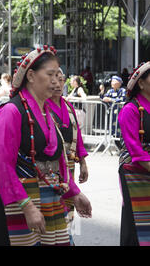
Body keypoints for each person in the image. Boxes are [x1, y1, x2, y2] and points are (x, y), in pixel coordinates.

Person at [0, 46, 92, 246]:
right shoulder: (11, 112)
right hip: (19, 201)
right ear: (30, 75)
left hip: (49, 198)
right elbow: (3, 166)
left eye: (58, 75)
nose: (56, 81)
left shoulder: (47, 111)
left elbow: (58, 163)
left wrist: (74, 193)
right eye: (50, 74)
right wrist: (27, 206)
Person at [47, 68, 89, 224]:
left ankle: (67, 237)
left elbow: (77, 136)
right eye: (54, 79)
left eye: (61, 80)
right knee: (52, 207)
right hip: (51, 165)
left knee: (69, 204)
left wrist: (83, 163)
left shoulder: (68, 106)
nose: (58, 84)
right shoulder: (42, 106)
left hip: (69, 163)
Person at [118, 62, 150, 246]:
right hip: (135, 170)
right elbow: (135, 149)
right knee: (136, 222)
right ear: (141, 83)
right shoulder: (130, 109)